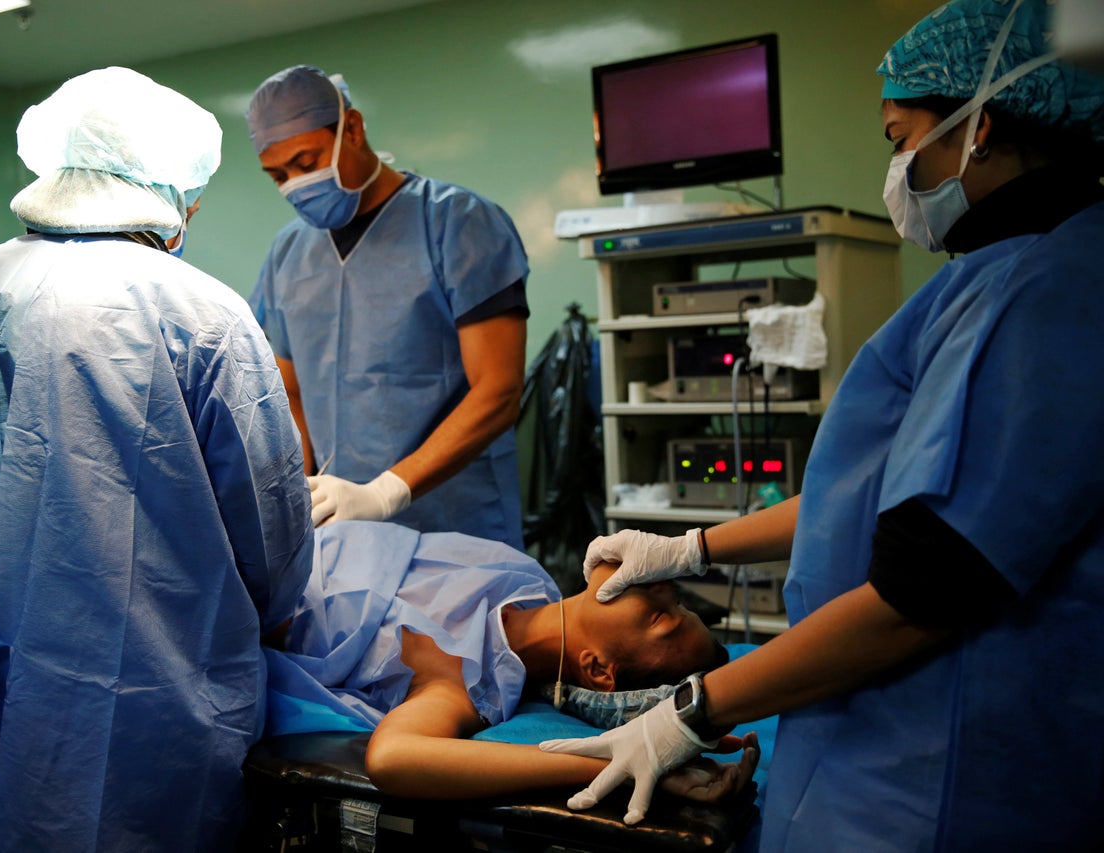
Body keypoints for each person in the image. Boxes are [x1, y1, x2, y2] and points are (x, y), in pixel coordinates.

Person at [541, 0, 1104, 847]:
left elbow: (929, 584)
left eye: (899, 135)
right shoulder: (1002, 277)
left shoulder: (1041, 290)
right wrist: (691, 549)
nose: (900, 163)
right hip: (888, 741)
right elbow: (899, 502)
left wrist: (689, 712)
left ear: (978, 126)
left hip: (941, 770)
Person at [0, 67, 314, 852]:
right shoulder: (203, 314)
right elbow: (270, 530)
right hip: (150, 694)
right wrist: (274, 618)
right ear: (168, 189)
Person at [265, 520, 757, 802]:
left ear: (599, 670)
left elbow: (392, 758)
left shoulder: (464, 684)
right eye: (679, 601)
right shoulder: (521, 574)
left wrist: (613, 763)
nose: (665, 587)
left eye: (660, 617)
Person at [246, 66, 528, 549]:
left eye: (307, 161)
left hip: (455, 525)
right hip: (342, 533)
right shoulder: (288, 252)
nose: (295, 184)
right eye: (278, 175)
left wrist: (383, 493)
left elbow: (498, 390)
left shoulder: (457, 223)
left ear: (352, 129)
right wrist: (297, 497)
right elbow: (290, 393)